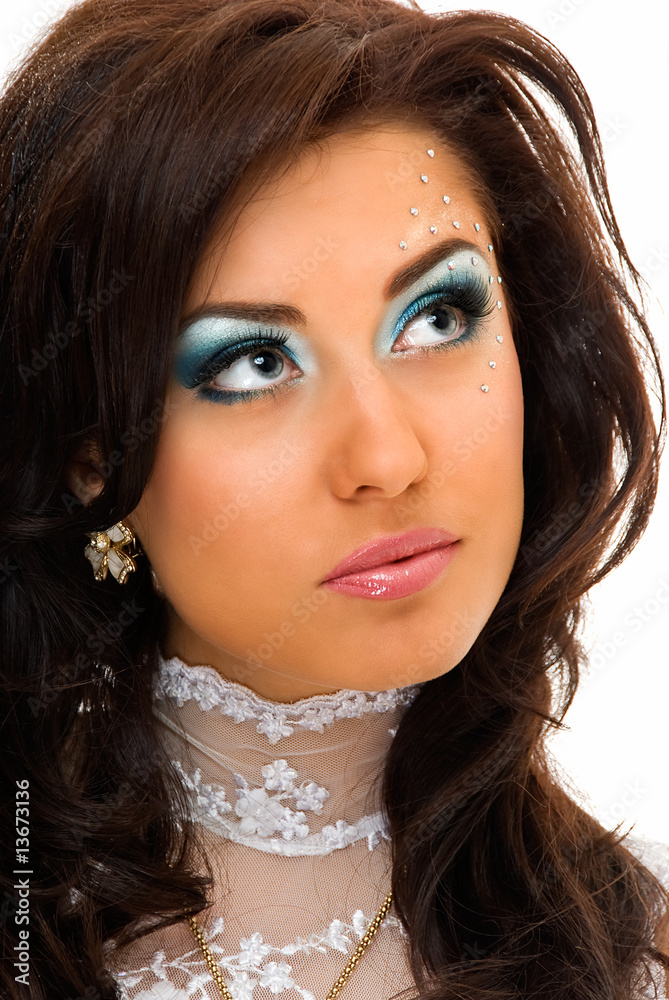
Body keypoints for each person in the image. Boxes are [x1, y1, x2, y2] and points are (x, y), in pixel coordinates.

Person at [0, 0, 667, 997]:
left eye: (436, 317)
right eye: (254, 362)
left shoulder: (639, 955)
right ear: (88, 456)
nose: (387, 457)